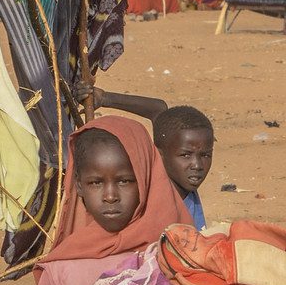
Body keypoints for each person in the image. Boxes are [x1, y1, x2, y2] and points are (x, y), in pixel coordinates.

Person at [28, 116, 186, 285]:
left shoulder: (176, 254)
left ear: (145, 179)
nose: (110, 196)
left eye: (124, 181)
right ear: (79, 186)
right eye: (96, 183)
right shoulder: (61, 268)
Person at [87, 90, 217, 229]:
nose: (197, 165)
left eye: (205, 155)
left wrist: (105, 98)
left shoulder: (183, 182)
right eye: (185, 155)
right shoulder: (155, 199)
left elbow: (158, 108)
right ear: (159, 155)